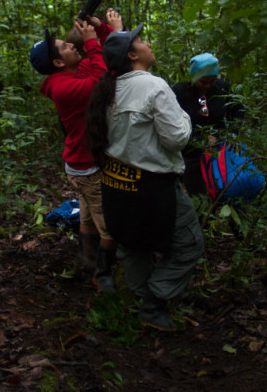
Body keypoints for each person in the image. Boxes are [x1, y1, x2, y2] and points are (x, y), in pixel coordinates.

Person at [86, 24, 204, 331]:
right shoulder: (154, 86)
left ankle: (139, 296)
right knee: (189, 244)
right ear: (133, 54)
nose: (148, 42)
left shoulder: (108, 88)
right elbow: (177, 138)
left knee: (132, 243)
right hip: (153, 187)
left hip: (116, 184)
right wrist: (186, 118)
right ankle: (153, 302)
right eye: (141, 40)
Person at [29, 11, 122, 292]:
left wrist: (102, 31)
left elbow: (104, 60)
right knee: (109, 226)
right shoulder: (65, 88)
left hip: (79, 165)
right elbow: (100, 79)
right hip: (88, 168)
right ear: (58, 62)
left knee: (87, 217)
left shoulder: (68, 76)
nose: (73, 45)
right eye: (66, 46)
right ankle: (103, 276)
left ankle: (87, 263)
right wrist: (92, 41)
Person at [172, 53, 244, 197]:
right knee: (198, 195)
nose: (207, 86)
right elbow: (172, 122)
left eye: (212, 81)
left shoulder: (223, 89)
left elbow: (238, 110)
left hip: (220, 152)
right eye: (203, 82)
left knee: (223, 190)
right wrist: (199, 137)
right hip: (191, 154)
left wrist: (231, 133)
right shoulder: (180, 91)